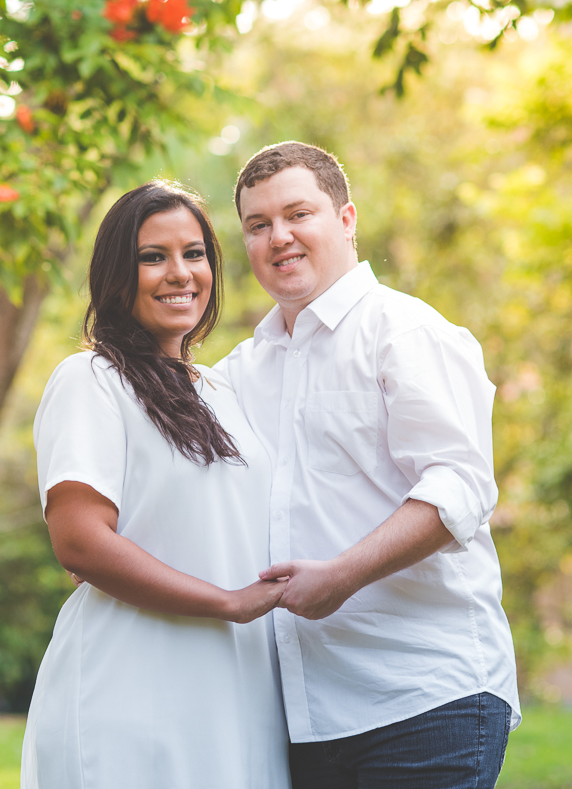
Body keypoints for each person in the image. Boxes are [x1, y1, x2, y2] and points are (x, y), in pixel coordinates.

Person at [214, 142, 521, 789]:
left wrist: (343, 574)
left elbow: (460, 486)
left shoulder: (404, 332)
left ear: (347, 219)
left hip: (424, 696)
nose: (280, 236)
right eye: (258, 224)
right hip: (301, 717)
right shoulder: (239, 372)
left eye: (299, 213)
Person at [20, 181, 291, 789]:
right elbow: (81, 544)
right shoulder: (91, 378)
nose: (180, 274)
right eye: (153, 257)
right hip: (130, 689)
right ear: (117, 273)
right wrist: (225, 602)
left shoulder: (220, 392)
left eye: (195, 254)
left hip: (234, 687)